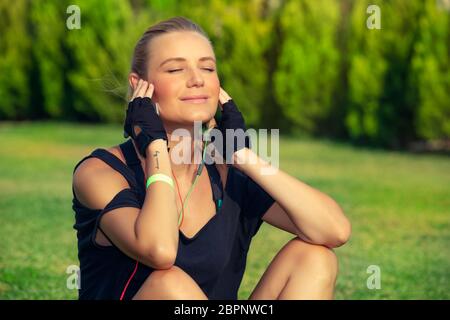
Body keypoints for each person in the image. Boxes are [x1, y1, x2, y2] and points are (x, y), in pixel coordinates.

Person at [71, 16, 351, 300]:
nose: (196, 79)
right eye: (176, 69)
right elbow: (161, 250)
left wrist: (242, 155)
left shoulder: (227, 170)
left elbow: (334, 230)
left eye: (207, 67)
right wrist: (155, 145)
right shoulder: (100, 173)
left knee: (314, 258)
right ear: (139, 85)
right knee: (170, 286)